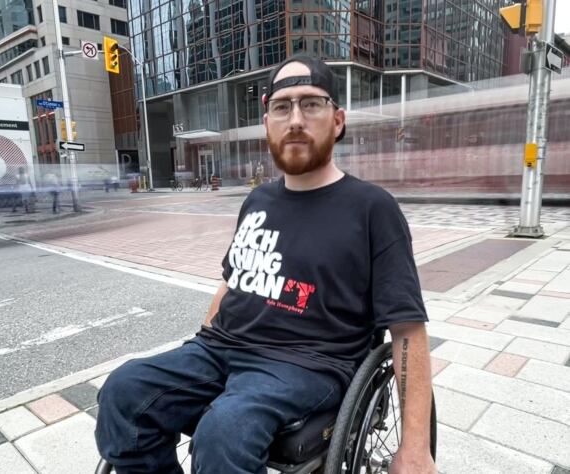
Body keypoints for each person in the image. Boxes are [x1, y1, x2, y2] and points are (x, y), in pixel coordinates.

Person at [95, 54, 436, 474]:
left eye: (311, 104)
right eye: (282, 106)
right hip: (221, 351)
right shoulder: (257, 201)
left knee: (224, 430)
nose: (295, 119)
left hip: (306, 364)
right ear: (267, 124)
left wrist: (415, 448)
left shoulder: (372, 209)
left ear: (338, 120)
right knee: (124, 391)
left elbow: (407, 330)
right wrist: (200, 345)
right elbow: (232, 282)